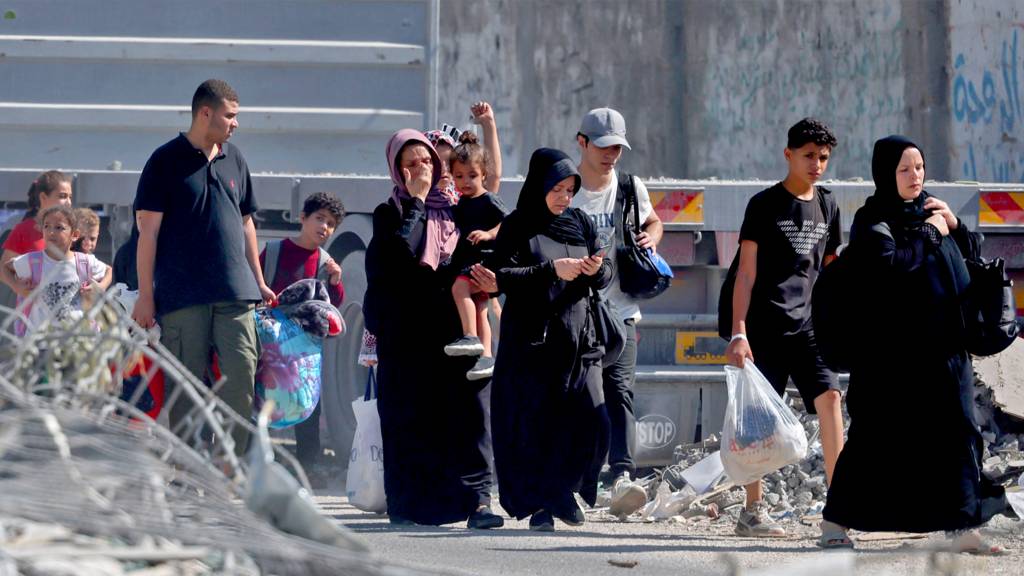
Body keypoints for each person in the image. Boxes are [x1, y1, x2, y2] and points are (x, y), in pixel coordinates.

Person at [819, 136, 1007, 552]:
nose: (915, 176)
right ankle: (835, 523)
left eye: (919, 167)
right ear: (886, 173)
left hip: (944, 352)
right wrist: (930, 231)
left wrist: (954, 226)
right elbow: (892, 266)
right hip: (891, 358)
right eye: (905, 169)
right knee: (875, 438)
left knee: (959, 433)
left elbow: (970, 255)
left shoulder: (932, 210)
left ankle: (963, 528)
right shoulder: (873, 221)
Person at [363, 128, 500, 529]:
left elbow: (491, 239)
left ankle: (479, 502)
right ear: (397, 170)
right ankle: (409, 505)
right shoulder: (389, 213)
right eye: (411, 163)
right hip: (406, 334)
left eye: (426, 160)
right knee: (409, 419)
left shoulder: (459, 207)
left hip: (455, 329)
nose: (422, 167)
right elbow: (401, 256)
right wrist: (418, 201)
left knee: (471, 416)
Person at [131, 79, 275, 455]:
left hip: (236, 293)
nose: (235, 124)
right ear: (205, 113)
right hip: (183, 296)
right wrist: (146, 296)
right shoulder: (164, 161)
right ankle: (188, 471)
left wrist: (258, 281)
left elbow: (246, 223)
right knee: (186, 389)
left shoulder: (236, 159)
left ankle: (232, 469)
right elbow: (148, 232)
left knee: (241, 382)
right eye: (230, 116)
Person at [724, 117, 844, 537]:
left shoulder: (829, 204)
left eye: (824, 157)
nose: (816, 164)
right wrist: (739, 332)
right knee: (756, 421)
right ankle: (752, 511)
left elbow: (830, 270)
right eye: (809, 156)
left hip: (809, 326)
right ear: (788, 154)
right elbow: (745, 274)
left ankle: (840, 507)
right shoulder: (764, 205)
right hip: (765, 325)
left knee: (830, 398)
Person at [489, 147, 612, 532]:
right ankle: (542, 505)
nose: (564, 197)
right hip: (533, 342)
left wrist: (595, 269)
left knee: (595, 422)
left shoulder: (579, 222)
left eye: (570, 189)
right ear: (539, 185)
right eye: (557, 188)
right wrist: (551, 270)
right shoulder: (518, 225)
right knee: (537, 427)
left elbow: (605, 272)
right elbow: (500, 277)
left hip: (580, 340)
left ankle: (565, 489)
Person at [571, 107, 663, 519]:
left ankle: (622, 474)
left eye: (617, 148)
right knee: (579, 396)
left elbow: (655, 221)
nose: (611, 155)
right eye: (604, 147)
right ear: (583, 143)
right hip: (576, 311)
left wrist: (650, 238)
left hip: (621, 306)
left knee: (620, 390)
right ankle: (578, 477)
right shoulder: (566, 188)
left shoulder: (629, 186)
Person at [258, 191, 345, 482]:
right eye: (319, 219)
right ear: (302, 218)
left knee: (306, 399)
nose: (324, 227)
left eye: (331, 223)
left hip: (303, 346)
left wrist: (335, 281)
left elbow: (331, 307)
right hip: (270, 342)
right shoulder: (272, 251)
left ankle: (309, 464)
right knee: (261, 396)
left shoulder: (325, 262)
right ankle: (254, 459)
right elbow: (255, 285)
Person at [443, 131, 508, 381]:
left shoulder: (489, 199)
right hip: (470, 261)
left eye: (472, 175)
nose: (465, 181)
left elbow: (509, 223)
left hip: (483, 262)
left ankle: (470, 336)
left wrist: (489, 233)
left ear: (484, 174)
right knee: (480, 306)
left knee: (460, 289)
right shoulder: (460, 204)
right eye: (459, 176)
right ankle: (486, 357)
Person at [5, 205, 110, 331]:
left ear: (75, 235)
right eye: (46, 226)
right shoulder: (33, 261)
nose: (51, 232)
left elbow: (109, 271)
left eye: (59, 227)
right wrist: (17, 286)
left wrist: (100, 286)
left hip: (78, 342)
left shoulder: (85, 261)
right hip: (41, 342)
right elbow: (5, 268)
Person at [1, 170, 74, 293]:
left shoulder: (72, 231)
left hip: (65, 307)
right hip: (31, 308)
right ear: (43, 197)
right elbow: (3, 270)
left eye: (70, 197)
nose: (69, 202)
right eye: (62, 196)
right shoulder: (23, 230)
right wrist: (19, 288)